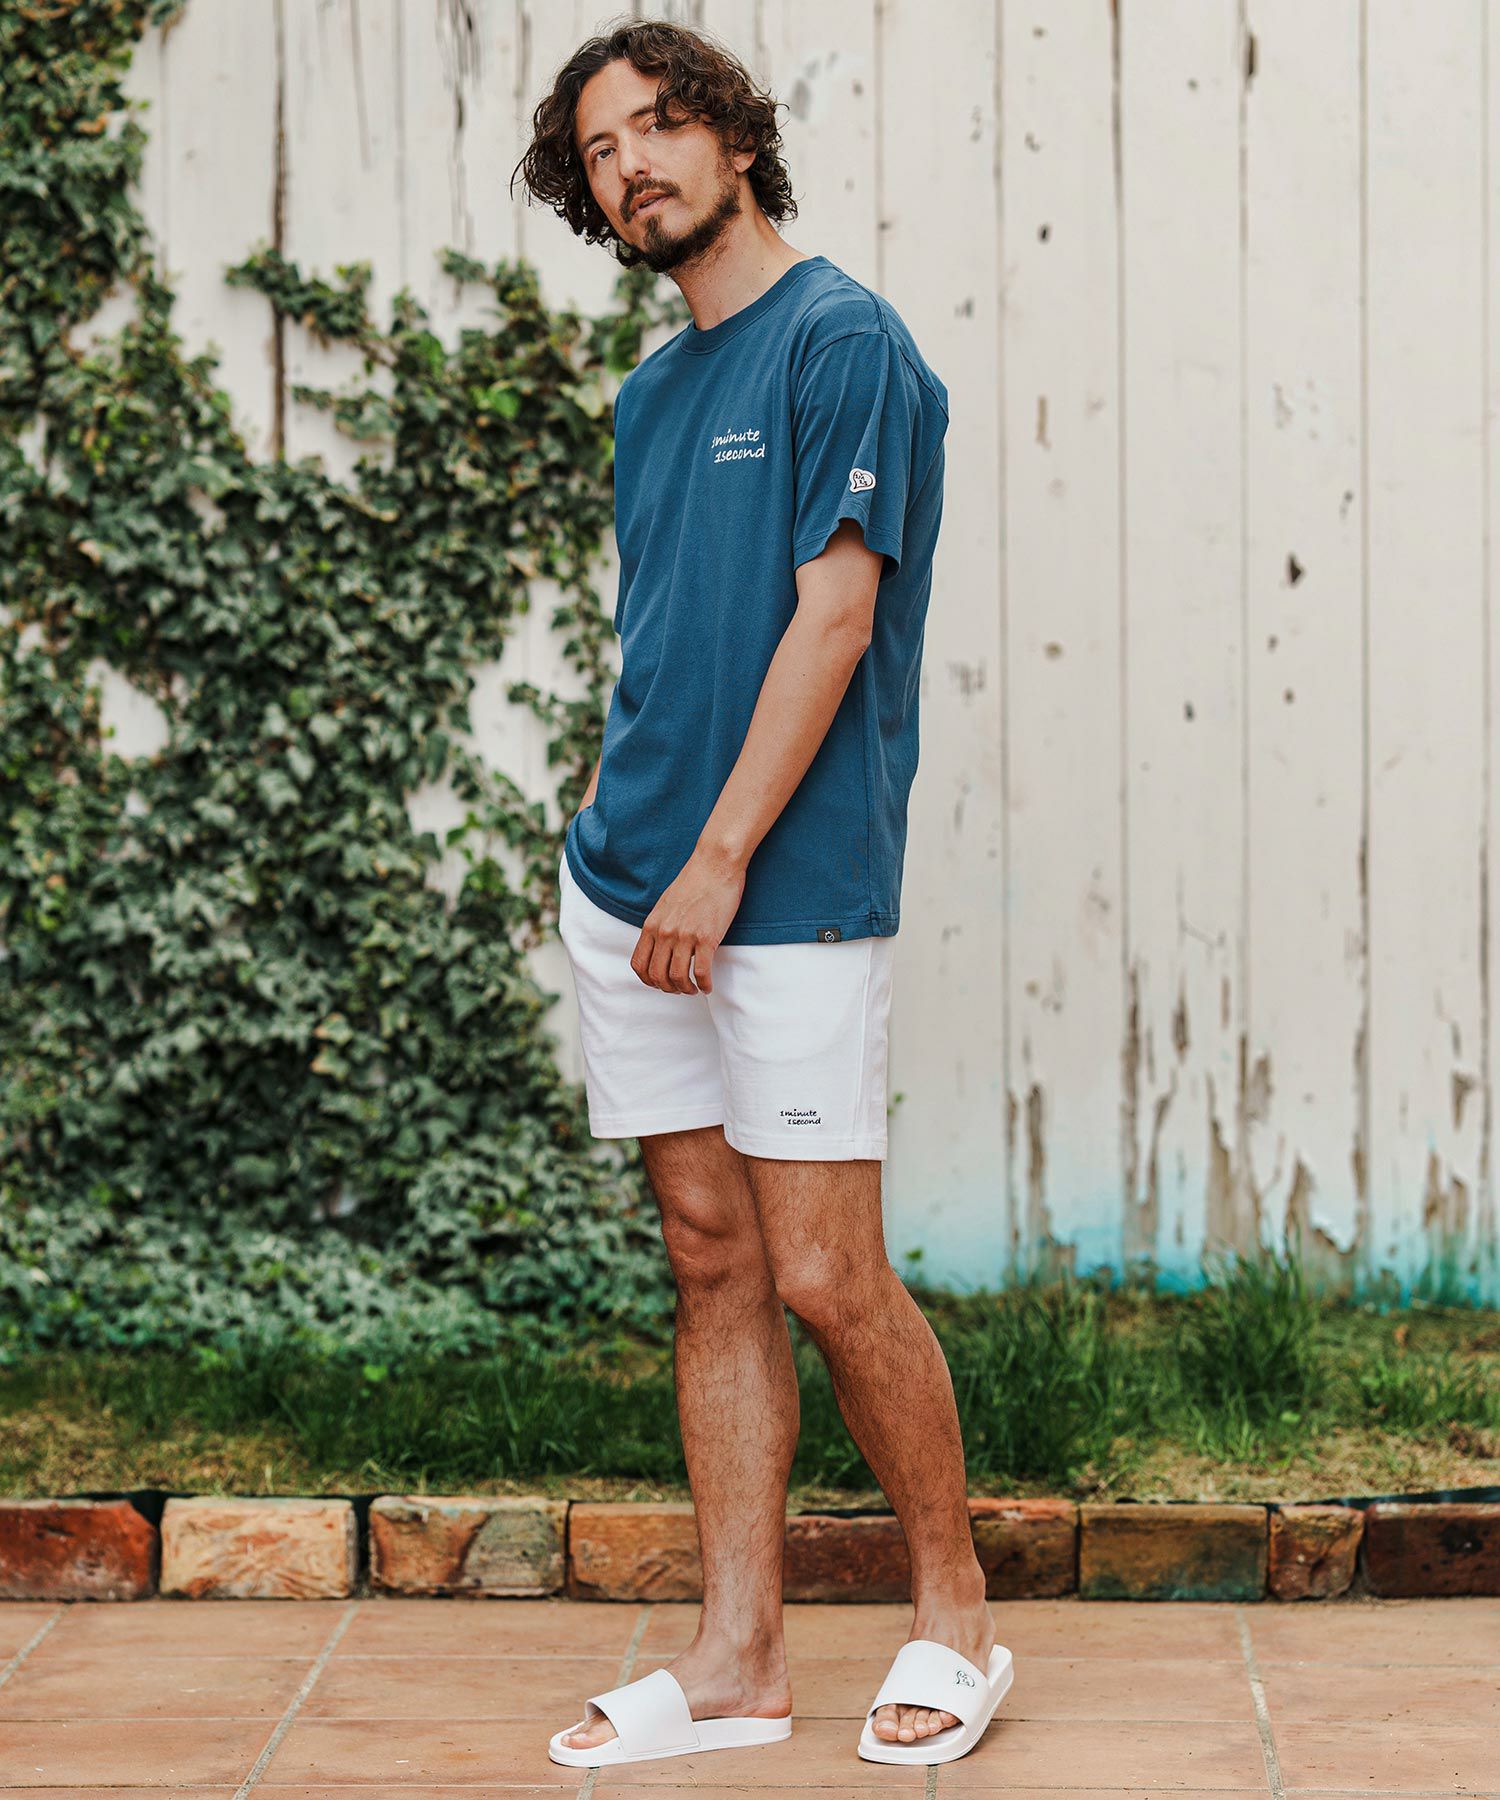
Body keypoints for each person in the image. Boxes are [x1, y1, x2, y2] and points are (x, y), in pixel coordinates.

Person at [515, 16, 1011, 1772]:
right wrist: (624, 837)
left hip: (779, 892)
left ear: (735, 135)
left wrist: (720, 863)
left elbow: (836, 617)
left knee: (822, 1270)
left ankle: (956, 1614)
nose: (633, 164)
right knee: (711, 1260)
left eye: (660, 124)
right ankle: (737, 1660)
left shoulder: (843, 341)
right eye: (600, 151)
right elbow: (671, 638)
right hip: (629, 889)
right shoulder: (651, 397)